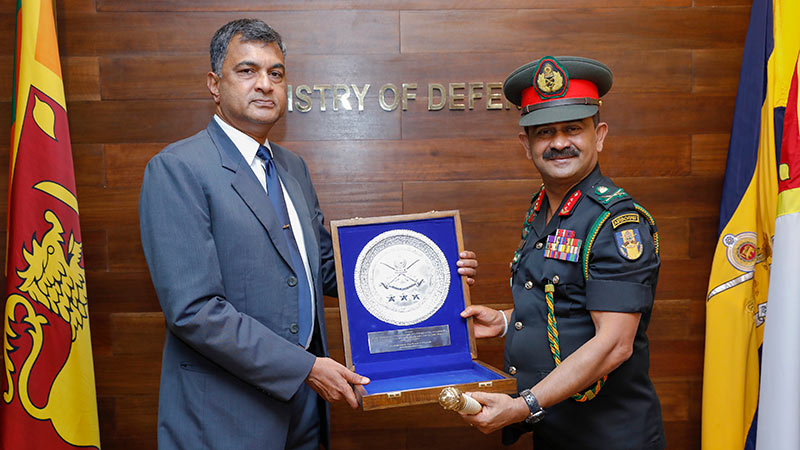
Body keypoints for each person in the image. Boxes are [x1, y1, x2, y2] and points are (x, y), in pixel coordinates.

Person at [139, 18, 478, 450]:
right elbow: (194, 311)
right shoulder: (178, 169)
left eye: (276, 73)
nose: (265, 84)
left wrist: (435, 272)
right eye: (247, 71)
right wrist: (305, 367)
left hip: (305, 414)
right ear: (214, 83)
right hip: (226, 417)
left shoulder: (291, 167)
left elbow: (321, 268)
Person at [459, 56, 665, 450]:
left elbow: (615, 343)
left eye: (573, 129)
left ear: (599, 135)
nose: (558, 143)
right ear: (526, 144)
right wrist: (504, 321)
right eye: (544, 132)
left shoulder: (615, 221)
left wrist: (523, 405)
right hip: (556, 430)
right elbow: (567, 302)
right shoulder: (544, 206)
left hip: (609, 437)